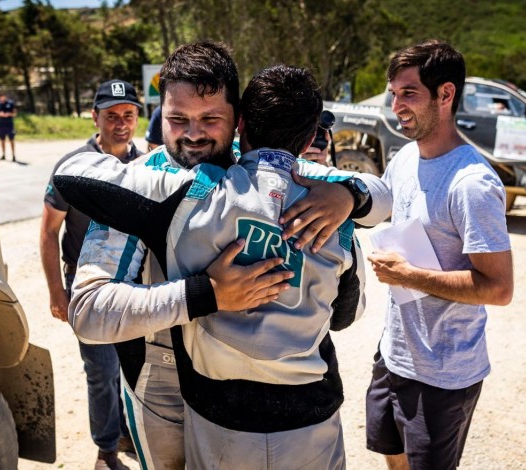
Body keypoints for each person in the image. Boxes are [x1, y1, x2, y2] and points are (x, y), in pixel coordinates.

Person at [56, 42, 391, 470]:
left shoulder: (285, 173)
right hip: (160, 377)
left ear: (238, 120)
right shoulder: (141, 183)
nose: (193, 133)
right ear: (161, 117)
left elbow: (384, 195)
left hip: (250, 401)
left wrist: (349, 194)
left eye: (210, 119)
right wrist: (206, 293)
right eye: (178, 120)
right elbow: (87, 312)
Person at [365, 40, 514, 470]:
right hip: (393, 353)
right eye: (393, 93)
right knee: (392, 459)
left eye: (408, 93)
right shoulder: (405, 157)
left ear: (445, 95)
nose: (397, 106)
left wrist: (408, 275)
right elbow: (381, 203)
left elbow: (499, 288)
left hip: (444, 372)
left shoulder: (472, 184)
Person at [40, 79, 142, 470]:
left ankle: (129, 433)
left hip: (135, 285)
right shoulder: (73, 165)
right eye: (111, 115)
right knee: (101, 371)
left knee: (133, 366)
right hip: (87, 286)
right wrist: (56, 292)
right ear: (95, 117)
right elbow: (49, 230)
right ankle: (106, 451)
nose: (120, 123)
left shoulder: (147, 163)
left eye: (128, 115)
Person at [0, 94, 17, 161]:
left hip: (10, 124)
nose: (2, 97)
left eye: (4, 96)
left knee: (11, 140)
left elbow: (15, 114)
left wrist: (9, 114)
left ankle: (13, 155)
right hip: (1, 125)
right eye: (1, 96)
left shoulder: (10, 103)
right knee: (2, 140)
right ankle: (3, 155)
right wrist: (0, 114)